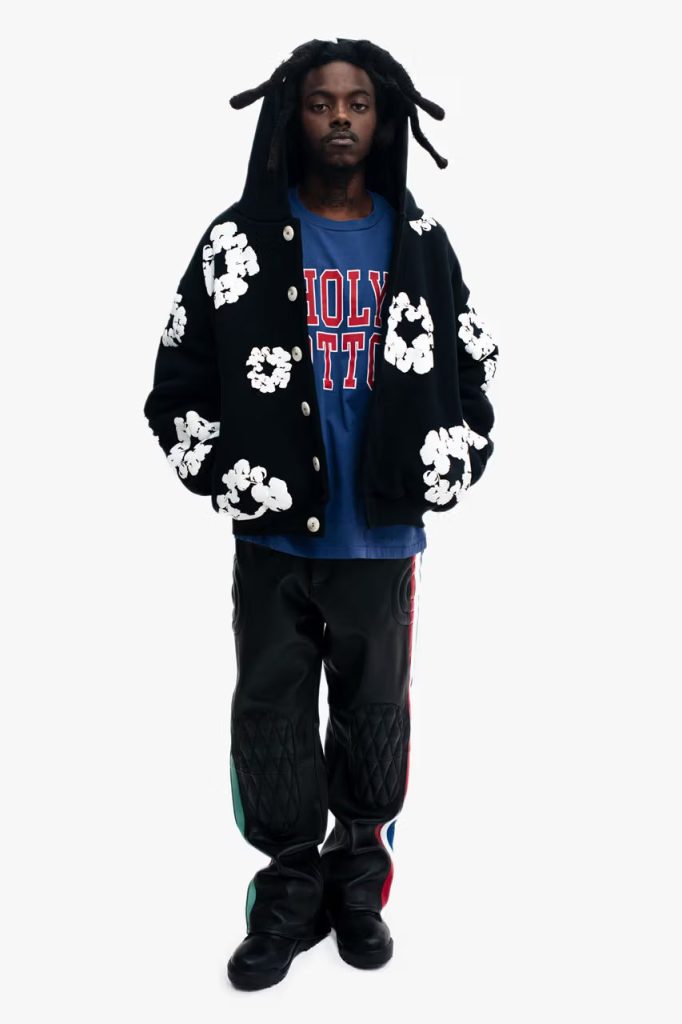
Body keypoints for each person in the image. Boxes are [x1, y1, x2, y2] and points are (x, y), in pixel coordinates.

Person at [143, 36, 499, 991]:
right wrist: (227, 475)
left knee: (375, 711)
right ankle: (288, 889)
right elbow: (176, 381)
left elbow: (476, 363)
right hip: (273, 534)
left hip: (379, 536)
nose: (340, 117)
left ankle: (359, 881)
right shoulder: (237, 242)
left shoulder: (419, 242)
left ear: (384, 119)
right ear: (289, 119)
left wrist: (454, 456)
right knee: (271, 709)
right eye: (319, 102)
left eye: (358, 103)